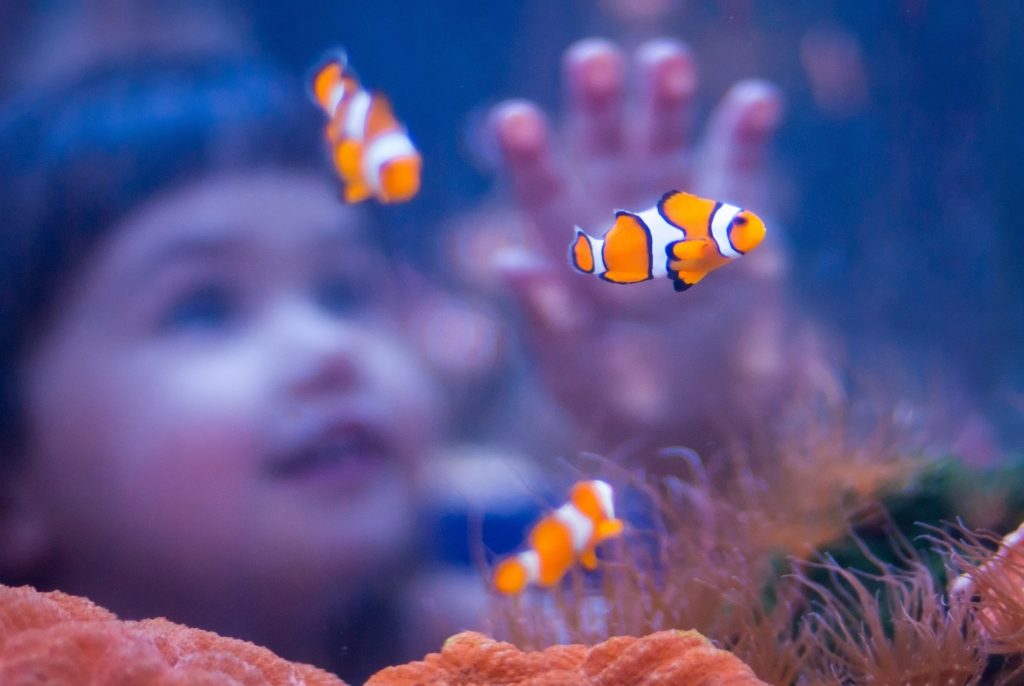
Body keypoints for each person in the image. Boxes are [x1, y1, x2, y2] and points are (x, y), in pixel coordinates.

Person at [0, 55, 440, 682]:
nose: (330, 347)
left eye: (344, 292)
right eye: (203, 309)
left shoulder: (499, 632)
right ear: (11, 489)